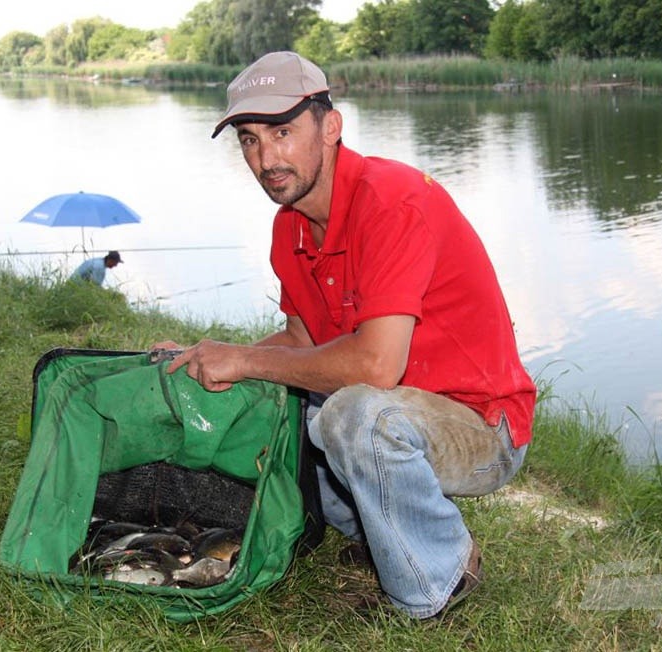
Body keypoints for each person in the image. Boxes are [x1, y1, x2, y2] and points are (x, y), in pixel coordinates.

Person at [159, 51, 536, 619]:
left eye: (282, 132)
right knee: (288, 411)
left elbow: (377, 367)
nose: (266, 158)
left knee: (350, 415)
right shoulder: (290, 228)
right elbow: (301, 343)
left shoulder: (392, 202)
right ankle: (382, 535)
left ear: (330, 127)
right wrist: (209, 358)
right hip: (400, 410)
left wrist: (244, 362)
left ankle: (440, 582)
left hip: (482, 425)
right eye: (249, 140)